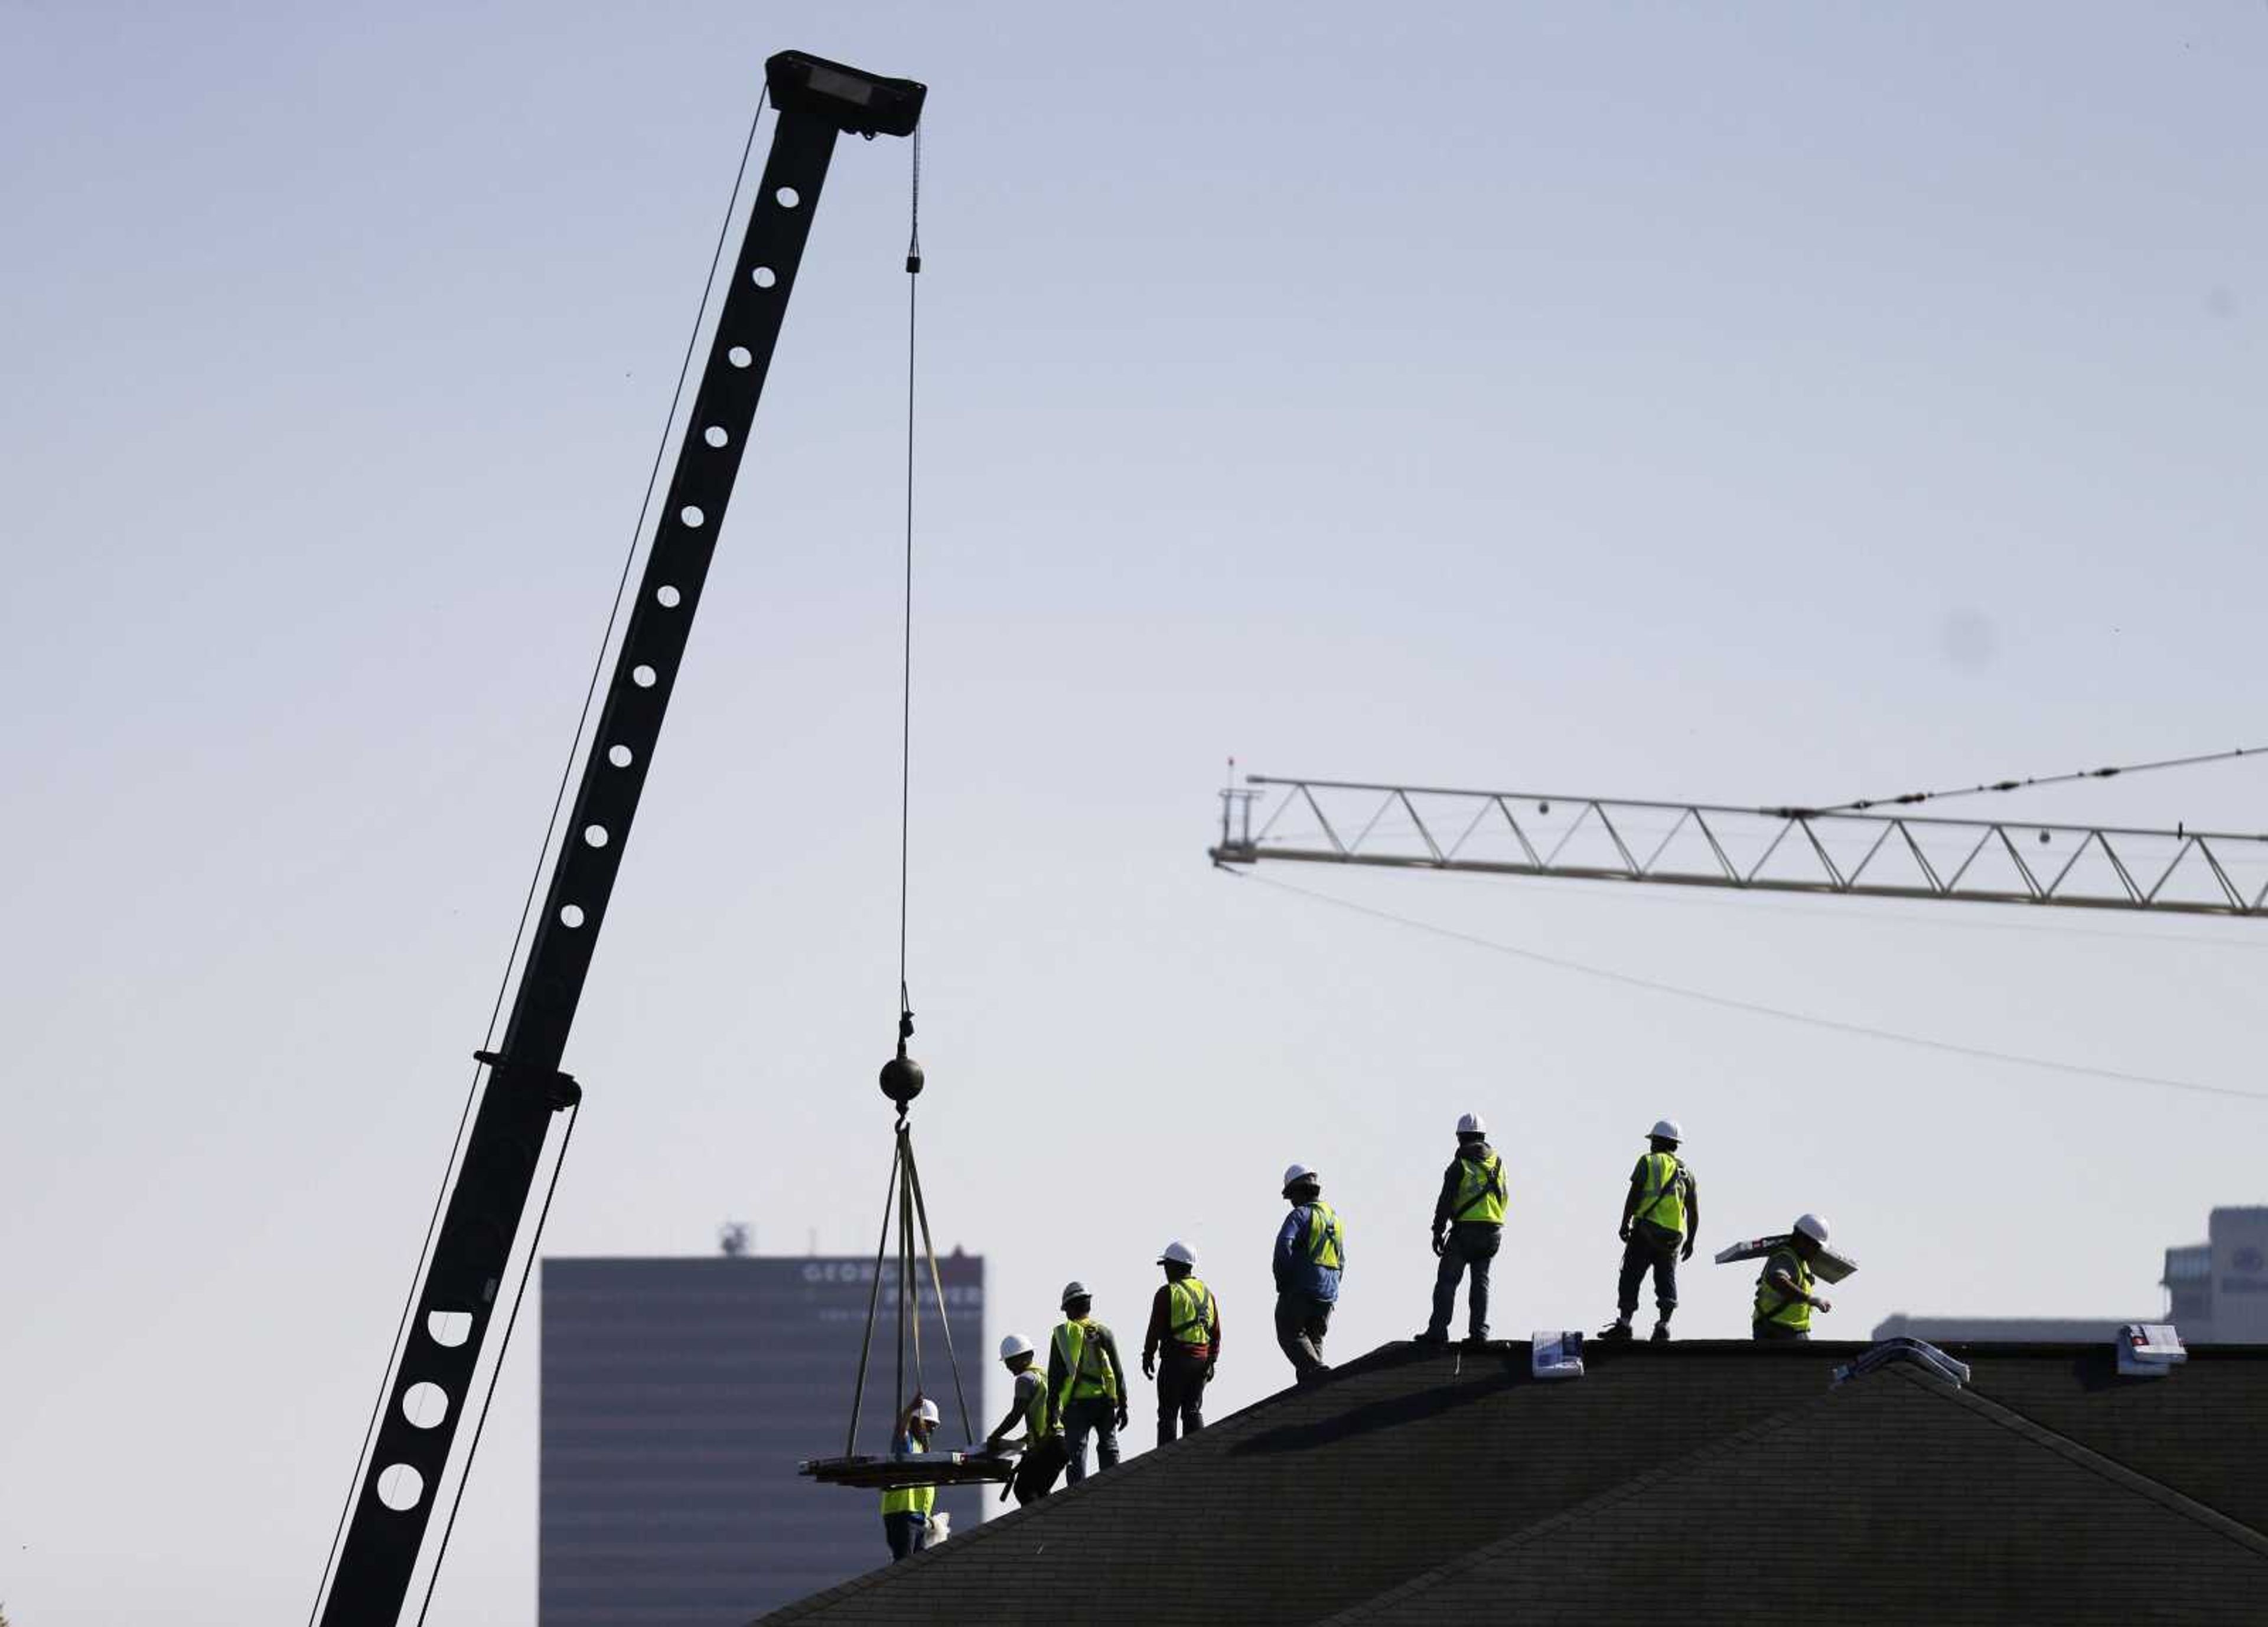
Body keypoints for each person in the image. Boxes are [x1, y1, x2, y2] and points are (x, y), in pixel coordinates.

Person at [1602, 1119, 1700, 1343]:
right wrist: (1691, 1240)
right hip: (1673, 1238)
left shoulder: (1648, 1162)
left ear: (1656, 1141)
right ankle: (1664, 1326)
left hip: (1646, 1231)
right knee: (1666, 1279)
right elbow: (1694, 1211)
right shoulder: (1687, 1173)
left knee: (1631, 1275)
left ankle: (1625, 1324)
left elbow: (1634, 1194)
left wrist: (1624, 1223)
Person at [1419, 1112, 1507, 1346]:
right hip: (1492, 1232)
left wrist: (1437, 1231)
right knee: (1481, 1283)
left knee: (1448, 1281)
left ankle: (1438, 1330)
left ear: (1460, 1138)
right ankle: (1479, 1333)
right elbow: (1505, 1197)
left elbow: (1445, 1201)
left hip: (1465, 1232)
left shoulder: (1460, 1166)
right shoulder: (1498, 1164)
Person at [1048, 1280, 1129, 1483]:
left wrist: (1052, 1412)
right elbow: (1118, 1372)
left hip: (1076, 1406)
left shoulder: (1062, 1335)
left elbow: (1055, 1377)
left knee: (1076, 1454)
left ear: (1070, 1308)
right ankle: (1112, 1491)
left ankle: (1078, 1501)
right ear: (1088, 1306)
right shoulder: (1104, 1332)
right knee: (1109, 1448)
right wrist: (1124, 1405)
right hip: (1106, 1403)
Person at [1141, 1240, 1221, 1446]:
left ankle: (1166, 1466)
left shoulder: (1167, 1293)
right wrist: (1212, 1361)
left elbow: (1155, 1330)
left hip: (1176, 1362)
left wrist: (1148, 1356)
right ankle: (1198, 1459)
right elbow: (1216, 1333)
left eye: (1167, 1265)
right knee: (1193, 1410)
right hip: (1201, 1362)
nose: (1165, 1270)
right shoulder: (1207, 1293)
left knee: (1168, 1414)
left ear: (1177, 1266)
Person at [1273, 1163, 1344, 1382]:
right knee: (1314, 1339)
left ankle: (1317, 1370)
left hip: (1303, 1288)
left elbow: (1284, 1246)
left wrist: (1282, 1280)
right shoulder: (1334, 1218)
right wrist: (1332, 1287)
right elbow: (1341, 1259)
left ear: (1299, 1191)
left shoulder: (1300, 1215)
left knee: (1288, 1329)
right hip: (1328, 1292)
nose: (1292, 1202)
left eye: (1292, 1196)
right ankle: (1312, 1387)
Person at [985, 1332, 1063, 1505]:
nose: (1007, 1367)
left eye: (1009, 1361)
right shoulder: (1045, 1376)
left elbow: (1015, 1415)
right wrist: (1027, 1439)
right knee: (1040, 1490)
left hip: (1049, 1443)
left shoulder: (1025, 1380)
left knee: (1024, 1489)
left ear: (1021, 1358)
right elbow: (1045, 1413)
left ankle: (1037, 1530)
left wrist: (995, 1437)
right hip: (1061, 1442)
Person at [1753, 1212, 1834, 1342]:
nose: (1817, 1251)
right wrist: (1810, 1299)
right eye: (1816, 1246)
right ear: (1803, 1240)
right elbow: (1777, 1279)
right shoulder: (1785, 1259)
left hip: (1785, 1330)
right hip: (1778, 1331)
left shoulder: (1798, 1261)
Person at [878, 1394, 939, 1561]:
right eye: (929, 1424)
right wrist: (911, 1408)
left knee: (916, 1569)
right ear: (915, 1422)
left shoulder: (920, 1446)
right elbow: (900, 1429)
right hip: (902, 1513)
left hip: (918, 1517)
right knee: (904, 1563)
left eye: (934, 1426)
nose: (932, 1430)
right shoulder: (906, 1444)